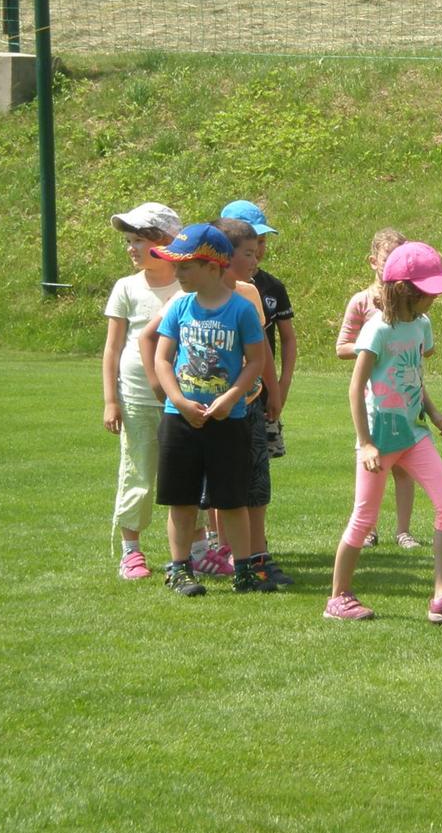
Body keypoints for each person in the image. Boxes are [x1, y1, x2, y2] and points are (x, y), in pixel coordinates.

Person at [325, 241, 442, 623]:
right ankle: (338, 598)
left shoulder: (421, 326)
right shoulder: (377, 330)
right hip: (380, 439)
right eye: (430, 292)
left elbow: (413, 373)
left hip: (414, 434)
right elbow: (356, 387)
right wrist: (365, 443)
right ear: (405, 290)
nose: (435, 299)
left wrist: (433, 412)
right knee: (363, 519)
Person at [151, 223, 268, 596]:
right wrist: (179, 401)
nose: (178, 273)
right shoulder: (179, 306)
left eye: (185, 266)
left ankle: (245, 570)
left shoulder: (240, 310)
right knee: (181, 500)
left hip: (227, 420)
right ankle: (180, 568)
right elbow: (162, 359)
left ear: (213, 267)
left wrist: (230, 398)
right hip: (180, 419)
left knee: (231, 501)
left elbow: (255, 361)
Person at [101, 201, 183, 580]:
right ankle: (131, 550)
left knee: (186, 474)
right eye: (128, 241)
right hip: (137, 397)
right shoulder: (126, 288)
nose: (131, 248)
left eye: (139, 240)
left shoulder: (189, 285)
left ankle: (194, 547)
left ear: (166, 242)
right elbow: (113, 349)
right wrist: (110, 400)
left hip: (185, 397)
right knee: (138, 471)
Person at [335, 228, 423, 550]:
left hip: (403, 396)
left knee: (403, 468)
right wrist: (372, 347)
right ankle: (367, 528)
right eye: (389, 260)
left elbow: (419, 346)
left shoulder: (411, 303)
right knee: (373, 466)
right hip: (374, 400)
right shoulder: (361, 301)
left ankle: (404, 530)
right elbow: (341, 346)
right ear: (374, 261)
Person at [221, 200, 296, 460]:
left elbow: (285, 339)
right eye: (252, 245)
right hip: (222, 391)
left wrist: (280, 384)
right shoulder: (204, 289)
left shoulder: (271, 287)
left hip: (260, 392)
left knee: (257, 468)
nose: (259, 250)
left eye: (262, 242)